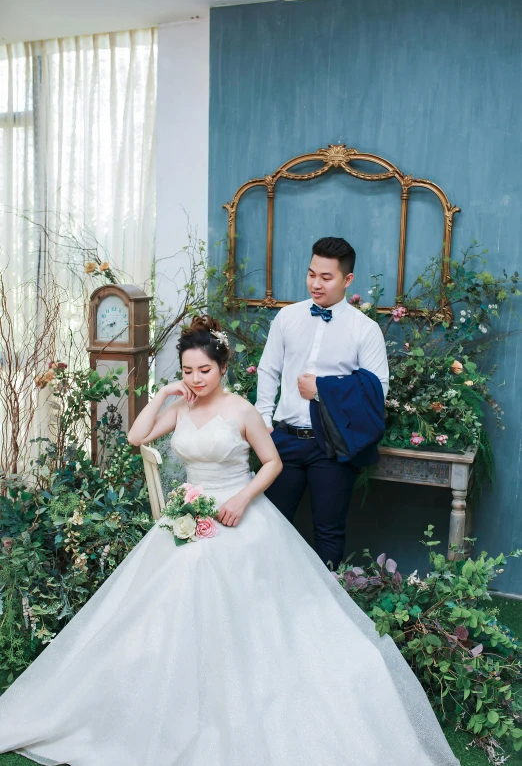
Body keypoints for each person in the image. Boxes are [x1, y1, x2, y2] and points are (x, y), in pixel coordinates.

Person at [0, 316, 459, 766]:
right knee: (167, 596)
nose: (196, 380)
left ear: (223, 368)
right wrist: (162, 393)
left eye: (205, 370)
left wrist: (241, 499)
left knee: (243, 606)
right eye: (187, 372)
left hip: (238, 514)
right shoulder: (179, 407)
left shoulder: (241, 409)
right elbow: (136, 436)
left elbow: (272, 463)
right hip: (188, 514)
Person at [256, 236, 389, 568]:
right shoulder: (287, 317)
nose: (315, 283)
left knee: (328, 532)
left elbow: (377, 391)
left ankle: (320, 609)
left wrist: (322, 389)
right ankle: (264, 597)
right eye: (311, 274)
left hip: (330, 446)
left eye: (326, 277)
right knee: (268, 524)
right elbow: (268, 369)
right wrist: (263, 421)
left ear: (347, 280)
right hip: (283, 440)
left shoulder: (366, 330)